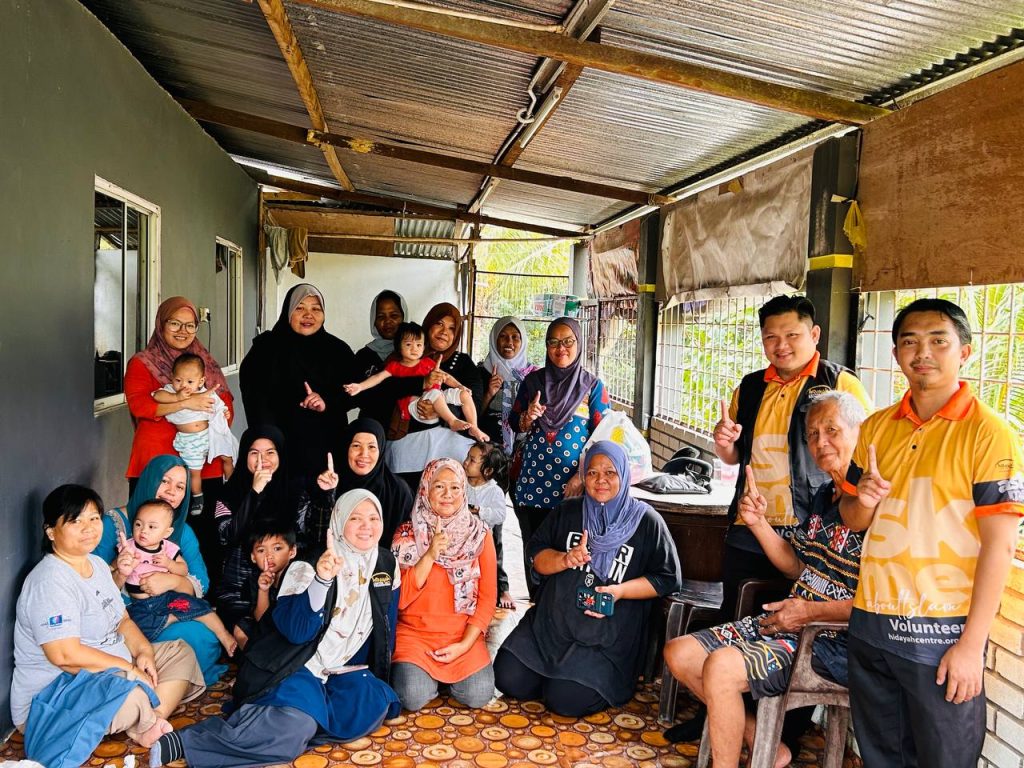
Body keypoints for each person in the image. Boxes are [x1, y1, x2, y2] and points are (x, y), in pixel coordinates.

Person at [839, 298, 1023, 768]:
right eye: (910, 342)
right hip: (872, 623)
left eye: (938, 340)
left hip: (940, 632)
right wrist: (864, 499)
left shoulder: (989, 432)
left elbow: (1001, 545)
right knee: (882, 756)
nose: (923, 352)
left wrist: (971, 646)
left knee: (945, 758)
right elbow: (852, 519)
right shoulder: (876, 427)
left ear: (964, 352)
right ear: (896, 354)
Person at [664, 391, 867, 767]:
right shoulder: (824, 496)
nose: (820, 442)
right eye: (812, 434)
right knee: (680, 653)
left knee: (721, 668)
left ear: (861, 432)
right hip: (790, 623)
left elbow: (879, 606)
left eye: (832, 430)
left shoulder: (877, 507)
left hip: (831, 642)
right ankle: (766, 745)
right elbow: (796, 567)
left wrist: (807, 613)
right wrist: (758, 524)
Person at [150, 489, 402, 768]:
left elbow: (386, 625)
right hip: (296, 666)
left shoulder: (386, 563)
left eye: (373, 518)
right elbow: (296, 632)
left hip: (341, 670)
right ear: (340, 521)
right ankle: (189, 742)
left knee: (376, 702)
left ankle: (276, 727)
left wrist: (379, 672)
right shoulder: (307, 565)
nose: (367, 526)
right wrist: (322, 580)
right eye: (355, 518)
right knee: (293, 730)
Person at [12, 485, 205, 766]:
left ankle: (145, 719)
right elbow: (64, 656)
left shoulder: (97, 565)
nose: (89, 528)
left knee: (180, 652)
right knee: (131, 693)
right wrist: (129, 670)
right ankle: (144, 716)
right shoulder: (50, 581)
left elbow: (121, 619)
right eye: (75, 521)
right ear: (51, 531)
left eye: (94, 518)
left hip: (109, 670)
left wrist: (143, 653)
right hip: (57, 693)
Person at [494, 441, 682, 716]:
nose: (600, 480)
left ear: (624, 474)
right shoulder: (568, 511)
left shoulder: (646, 522)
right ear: (584, 476)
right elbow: (536, 556)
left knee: (565, 700)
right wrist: (565, 559)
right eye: (592, 472)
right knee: (507, 678)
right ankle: (553, 675)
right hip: (550, 628)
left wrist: (620, 591)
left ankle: (565, 679)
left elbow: (666, 578)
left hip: (604, 638)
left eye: (610, 472)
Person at [95, 455, 226, 685]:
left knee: (205, 637)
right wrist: (120, 567)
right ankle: (164, 681)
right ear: (150, 479)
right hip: (124, 619)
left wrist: (172, 581)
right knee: (185, 640)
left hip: (167, 607)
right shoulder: (111, 524)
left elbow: (202, 582)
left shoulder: (180, 530)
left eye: (180, 487)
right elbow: (92, 581)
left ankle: (164, 681)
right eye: (164, 481)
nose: (171, 491)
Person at [508, 317, 610, 597]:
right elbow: (515, 423)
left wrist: (581, 476)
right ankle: (537, 605)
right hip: (532, 485)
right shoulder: (533, 382)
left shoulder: (592, 387)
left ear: (579, 344)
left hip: (572, 489)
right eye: (553, 342)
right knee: (535, 548)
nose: (560, 348)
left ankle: (560, 609)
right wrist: (528, 417)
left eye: (568, 342)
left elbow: (603, 438)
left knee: (569, 551)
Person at [390, 458, 497, 710]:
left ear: (464, 491)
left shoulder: (479, 534)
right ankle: (429, 678)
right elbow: (399, 600)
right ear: (425, 489)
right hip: (415, 637)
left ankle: (444, 677)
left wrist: (464, 644)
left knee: (479, 694)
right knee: (412, 695)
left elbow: (487, 598)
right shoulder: (406, 534)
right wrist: (429, 555)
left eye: (455, 487)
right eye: (439, 486)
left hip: (462, 635)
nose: (448, 494)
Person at [239, 283, 359, 497]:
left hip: (327, 446)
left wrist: (327, 401)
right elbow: (254, 397)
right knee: (280, 504)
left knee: (324, 502)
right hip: (281, 447)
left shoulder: (338, 350)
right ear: (288, 311)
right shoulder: (265, 349)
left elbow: (354, 391)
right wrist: (268, 443)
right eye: (300, 308)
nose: (308, 315)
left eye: (316, 309)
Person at [125, 296, 232, 522]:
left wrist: (221, 415)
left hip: (203, 461)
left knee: (203, 532)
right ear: (161, 323)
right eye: (174, 323)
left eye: (190, 325)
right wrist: (184, 403)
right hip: (158, 461)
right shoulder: (142, 362)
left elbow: (224, 402)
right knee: (152, 530)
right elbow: (140, 405)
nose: (183, 331)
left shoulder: (205, 363)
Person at [117, 498, 236, 655]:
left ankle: (224, 634)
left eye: (152, 527)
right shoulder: (129, 546)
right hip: (139, 605)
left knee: (199, 607)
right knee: (133, 627)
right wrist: (123, 561)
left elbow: (183, 569)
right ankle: (171, 617)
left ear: (167, 532)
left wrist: (169, 564)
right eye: (138, 524)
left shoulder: (168, 549)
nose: (143, 530)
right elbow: (115, 569)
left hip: (167, 598)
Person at [214, 425, 303, 630]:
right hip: (238, 589)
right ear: (244, 457)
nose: (262, 460)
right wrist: (254, 494)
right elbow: (228, 536)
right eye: (254, 453)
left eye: (270, 452)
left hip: (283, 586)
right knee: (244, 635)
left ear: (280, 455)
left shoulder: (295, 493)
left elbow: (304, 539)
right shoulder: (228, 494)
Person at [385, 303, 484, 485]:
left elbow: (474, 401)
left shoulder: (463, 363)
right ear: (428, 325)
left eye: (452, 328)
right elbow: (385, 394)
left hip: (449, 455)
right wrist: (419, 387)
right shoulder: (401, 357)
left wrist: (439, 412)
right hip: (408, 451)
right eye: (439, 324)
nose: (444, 332)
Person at [345, 322, 488, 442]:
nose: (414, 349)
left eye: (419, 345)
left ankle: (474, 427)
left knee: (463, 395)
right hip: (415, 406)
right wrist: (360, 386)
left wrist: (460, 386)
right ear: (399, 346)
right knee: (435, 393)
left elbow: (446, 377)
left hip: (435, 400)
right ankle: (452, 421)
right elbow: (377, 378)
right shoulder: (394, 366)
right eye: (409, 344)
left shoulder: (427, 363)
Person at [313, 417, 414, 548]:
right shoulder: (330, 483)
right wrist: (327, 494)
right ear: (346, 447)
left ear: (381, 449)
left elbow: (405, 544)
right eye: (356, 445)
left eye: (372, 447)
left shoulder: (399, 491)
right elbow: (316, 537)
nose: (364, 454)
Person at [152, 354, 237, 505]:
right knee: (194, 471)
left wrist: (225, 413)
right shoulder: (170, 391)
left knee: (227, 457)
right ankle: (198, 496)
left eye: (190, 382)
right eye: (178, 380)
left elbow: (220, 406)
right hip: (190, 440)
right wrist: (177, 397)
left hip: (210, 435)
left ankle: (232, 487)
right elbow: (157, 396)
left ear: (201, 381)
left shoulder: (206, 392)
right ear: (172, 377)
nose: (184, 386)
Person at [232, 518, 298, 650]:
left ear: (292, 551)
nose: (269, 556)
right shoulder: (255, 580)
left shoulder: (297, 576)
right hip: (269, 629)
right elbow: (261, 619)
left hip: (291, 630)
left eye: (277, 548)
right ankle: (254, 659)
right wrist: (263, 590)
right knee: (240, 628)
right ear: (253, 557)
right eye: (261, 550)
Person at [464, 440, 514, 609]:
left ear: (488, 470)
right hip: (460, 542)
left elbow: (500, 515)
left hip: (482, 544)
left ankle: (483, 603)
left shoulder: (494, 491)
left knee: (483, 574)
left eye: (472, 460)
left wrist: (480, 511)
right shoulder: (460, 483)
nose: (465, 462)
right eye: (467, 457)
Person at [478, 316, 539, 453]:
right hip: (487, 449)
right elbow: (471, 416)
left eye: (515, 337)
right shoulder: (482, 373)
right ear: (494, 339)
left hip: (523, 449)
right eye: (503, 336)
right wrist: (489, 394)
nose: (509, 342)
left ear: (523, 341)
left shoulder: (533, 376)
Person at [354, 290, 409, 426]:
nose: (388, 321)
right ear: (374, 321)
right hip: (371, 429)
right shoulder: (363, 356)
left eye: (394, 315)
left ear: (404, 317)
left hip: (406, 429)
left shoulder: (414, 353)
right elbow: (355, 398)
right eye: (380, 316)